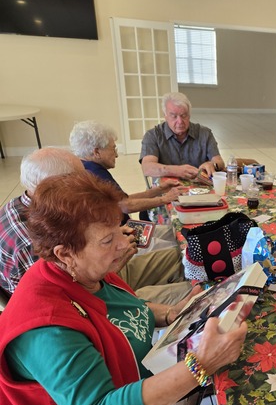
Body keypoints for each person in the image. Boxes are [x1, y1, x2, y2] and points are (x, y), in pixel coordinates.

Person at [0, 171, 247, 405]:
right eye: (107, 240)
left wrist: (170, 313)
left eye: (118, 229)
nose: (122, 243)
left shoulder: (83, 271)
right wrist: (200, 366)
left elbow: (116, 313)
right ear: (65, 253)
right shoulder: (47, 330)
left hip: (138, 395)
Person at [0, 148, 191, 305]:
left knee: (184, 258)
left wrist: (108, 239)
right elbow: (67, 302)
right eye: (80, 179)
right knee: (192, 292)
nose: (87, 183)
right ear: (51, 186)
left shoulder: (39, 205)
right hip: (91, 299)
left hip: (97, 276)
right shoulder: (30, 241)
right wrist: (116, 260)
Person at [71, 120, 188, 254]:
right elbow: (126, 205)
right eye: (113, 148)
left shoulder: (88, 167)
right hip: (123, 239)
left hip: (128, 230)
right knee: (183, 249)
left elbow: (122, 200)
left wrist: (159, 190)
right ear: (96, 151)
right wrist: (164, 199)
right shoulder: (95, 174)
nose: (116, 154)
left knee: (178, 232)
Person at [140, 92, 225, 180]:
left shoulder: (204, 133)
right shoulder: (153, 135)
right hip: (167, 187)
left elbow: (219, 162)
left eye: (184, 116)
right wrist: (177, 171)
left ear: (189, 115)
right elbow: (147, 168)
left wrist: (212, 165)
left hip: (199, 186)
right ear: (165, 116)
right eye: (174, 116)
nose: (180, 121)